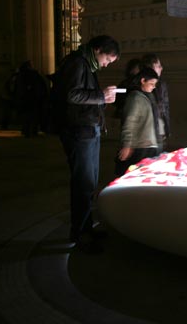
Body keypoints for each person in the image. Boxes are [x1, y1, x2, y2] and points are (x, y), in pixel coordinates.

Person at [56, 35, 120, 254]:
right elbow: (72, 95)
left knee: (89, 183)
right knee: (83, 184)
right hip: (79, 131)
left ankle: (86, 228)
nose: (106, 64)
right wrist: (101, 96)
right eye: (107, 59)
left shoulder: (87, 64)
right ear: (98, 49)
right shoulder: (77, 63)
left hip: (88, 129)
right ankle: (80, 234)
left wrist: (102, 98)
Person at [115, 67, 162, 177]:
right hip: (141, 146)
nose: (154, 87)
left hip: (150, 144)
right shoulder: (135, 98)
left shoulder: (148, 96)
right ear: (143, 81)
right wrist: (127, 145)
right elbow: (130, 122)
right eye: (151, 83)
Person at [141, 54, 171, 150]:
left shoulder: (161, 83)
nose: (161, 68)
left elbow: (165, 107)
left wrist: (166, 127)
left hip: (159, 126)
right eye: (158, 66)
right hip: (147, 128)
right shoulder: (142, 84)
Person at [15, 61, 48, 137]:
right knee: (33, 115)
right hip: (33, 98)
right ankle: (33, 130)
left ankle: (26, 130)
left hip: (24, 98)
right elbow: (40, 87)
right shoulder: (34, 75)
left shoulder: (20, 75)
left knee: (26, 116)